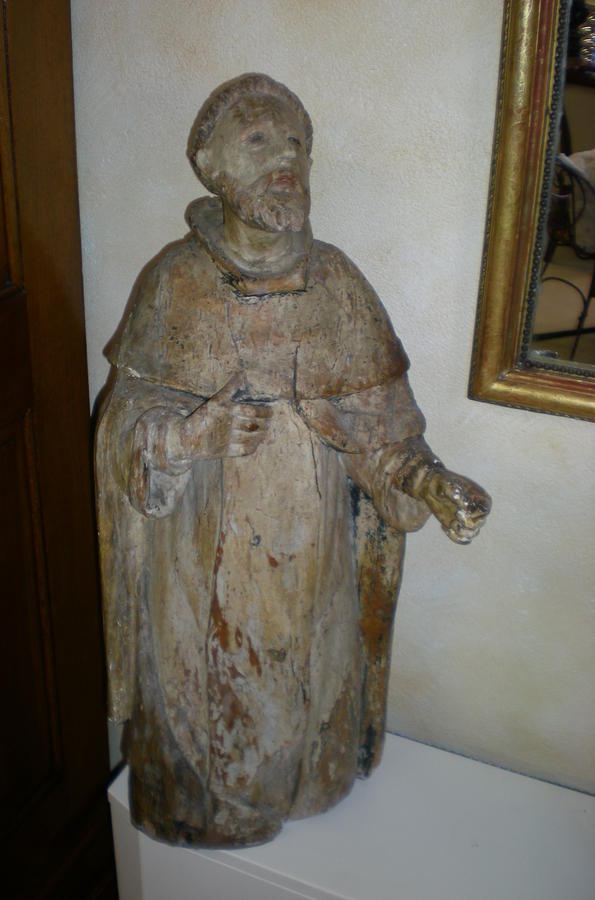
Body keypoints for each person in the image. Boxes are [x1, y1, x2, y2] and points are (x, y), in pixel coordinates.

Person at [95, 73, 490, 847]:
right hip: (198, 577)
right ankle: (206, 808)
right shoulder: (174, 281)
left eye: (296, 143)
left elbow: (378, 431)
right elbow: (124, 426)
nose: (285, 158)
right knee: (207, 720)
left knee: (309, 708)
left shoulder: (336, 282)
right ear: (212, 166)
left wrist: (429, 483)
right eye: (258, 139)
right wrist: (188, 438)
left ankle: (308, 781)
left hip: (315, 566)